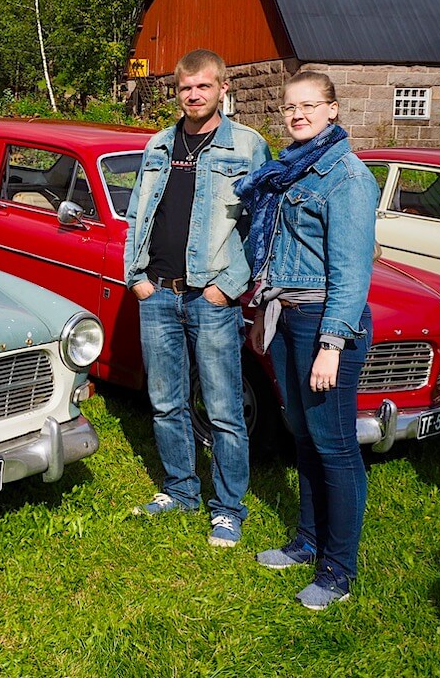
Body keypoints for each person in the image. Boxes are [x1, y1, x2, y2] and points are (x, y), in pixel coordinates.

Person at [234, 70, 379, 609]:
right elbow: (276, 254)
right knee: (303, 435)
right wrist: (259, 317)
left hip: (326, 324)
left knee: (335, 446)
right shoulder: (291, 172)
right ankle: (307, 541)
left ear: (333, 110)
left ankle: (338, 571)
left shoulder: (346, 178)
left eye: (310, 106)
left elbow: (350, 273)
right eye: (291, 106)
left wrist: (332, 344)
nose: (298, 115)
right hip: (288, 315)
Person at [124, 49, 270, 547]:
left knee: (223, 407)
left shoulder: (248, 147)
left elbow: (263, 228)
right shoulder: (160, 145)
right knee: (165, 402)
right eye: (186, 87)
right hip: (158, 293)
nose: (193, 94)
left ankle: (228, 507)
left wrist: (225, 287)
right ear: (178, 91)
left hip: (210, 298)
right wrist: (136, 276)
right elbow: (136, 214)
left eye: (204, 86)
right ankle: (181, 489)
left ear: (222, 89)